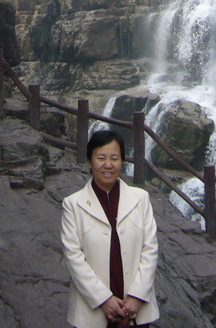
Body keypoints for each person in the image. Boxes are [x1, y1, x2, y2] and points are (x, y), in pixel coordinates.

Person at [61, 130, 159, 327]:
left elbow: (150, 249)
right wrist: (104, 300)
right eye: (101, 158)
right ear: (90, 162)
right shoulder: (72, 204)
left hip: (136, 310)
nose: (108, 165)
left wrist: (136, 297)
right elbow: (73, 257)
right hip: (93, 312)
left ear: (122, 161)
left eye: (114, 158)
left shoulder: (140, 199)